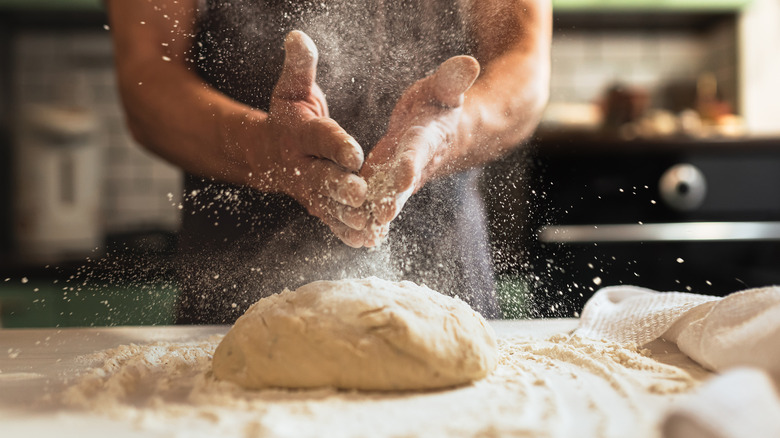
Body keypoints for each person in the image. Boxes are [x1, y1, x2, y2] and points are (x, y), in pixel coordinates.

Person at [106, 0, 551, 324]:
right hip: (237, 294)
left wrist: (449, 132)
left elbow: (524, 64)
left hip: (445, 277)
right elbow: (147, 76)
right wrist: (266, 150)